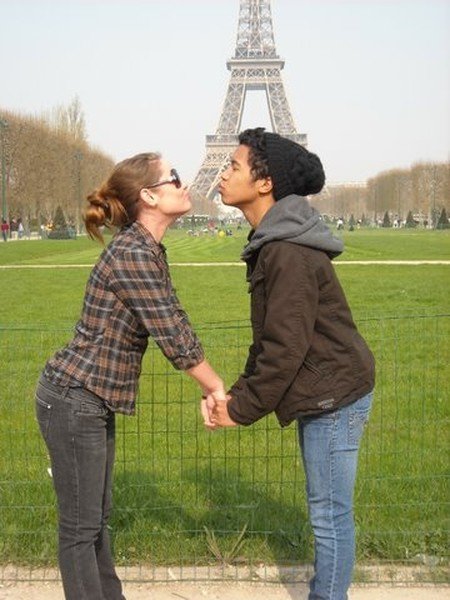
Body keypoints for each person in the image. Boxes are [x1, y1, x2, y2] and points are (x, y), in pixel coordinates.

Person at [35, 152, 223, 600]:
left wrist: (209, 382)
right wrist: (215, 387)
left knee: (96, 518)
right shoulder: (134, 254)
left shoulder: (146, 249)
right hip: (73, 397)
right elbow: (173, 336)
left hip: (88, 398)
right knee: (81, 528)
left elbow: (175, 317)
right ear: (149, 196)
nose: (183, 183)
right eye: (173, 178)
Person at [210, 128, 375, 600]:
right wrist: (239, 394)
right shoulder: (275, 240)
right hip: (327, 387)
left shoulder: (286, 249)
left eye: (235, 166)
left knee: (329, 514)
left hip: (335, 393)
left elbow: (284, 350)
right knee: (327, 511)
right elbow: (270, 340)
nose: (224, 173)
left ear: (266, 184)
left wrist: (238, 409)